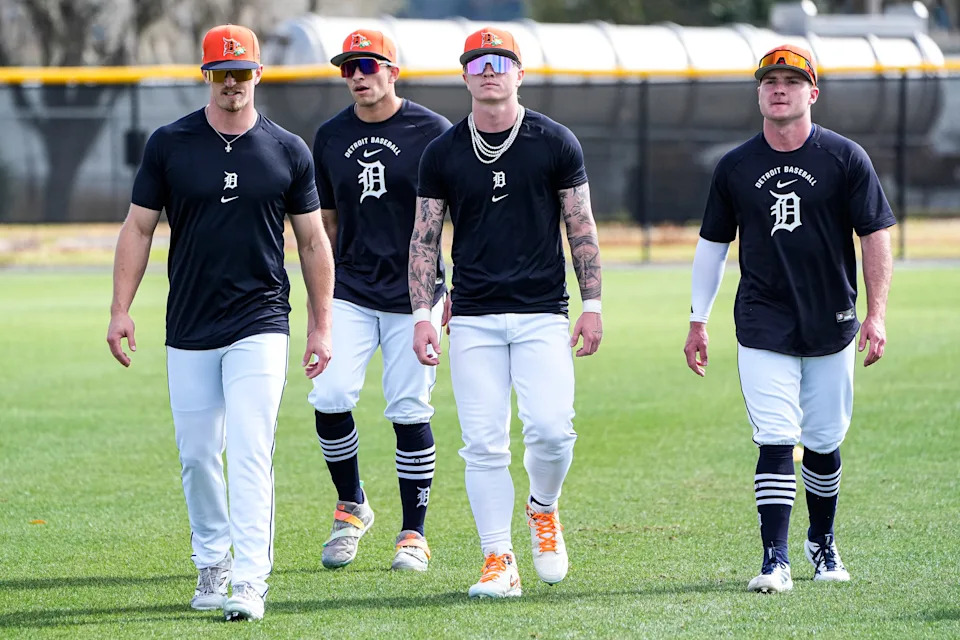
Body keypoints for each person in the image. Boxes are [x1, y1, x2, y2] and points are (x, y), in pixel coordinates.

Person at [106, 24, 335, 621]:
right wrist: (120, 310)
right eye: (221, 73)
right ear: (205, 76)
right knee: (199, 453)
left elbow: (313, 242)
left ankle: (251, 581)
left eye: (242, 72)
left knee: (252, 450)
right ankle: (213, 560)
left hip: (260, 320)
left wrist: (320, 326)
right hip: (189, 323)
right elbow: (138, 227)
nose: (232, 83)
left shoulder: (288, 149)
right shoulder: (170, 144)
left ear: (259, 73)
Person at [683, 44, 894, 594]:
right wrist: (696, 320)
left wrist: (877, 315)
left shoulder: (845, 158)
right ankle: (774, 559)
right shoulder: (735, 166)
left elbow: (875, 235)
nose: (780, 88)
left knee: (824, 442)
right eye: (770, 80)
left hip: (832, 320)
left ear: (812, 93)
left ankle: (821, 544)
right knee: (776, 438)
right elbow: (712, 245)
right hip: (762, 322)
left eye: (792, 80)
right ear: (759, 92)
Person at [408, 27, 603, 598]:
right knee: (484, 442)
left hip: (543, 312)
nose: (489, 70)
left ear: (519, 72)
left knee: (551, 431)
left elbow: (581, 227)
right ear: (464, 74)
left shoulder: (555, 141)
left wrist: (592, 305)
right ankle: (498, 558)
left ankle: (543, 507)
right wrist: (424, 311)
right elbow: (424, 239)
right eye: (478, 62)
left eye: (501, 61)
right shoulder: (442, 151)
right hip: (471, 317)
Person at [307, 29, 451, 572]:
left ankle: (413, 533)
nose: (358, 76)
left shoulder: (432, 131)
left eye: (369, 65)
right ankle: (352, 507)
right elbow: (325, 221)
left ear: (393, 71)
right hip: (351, 289)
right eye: (349, 67)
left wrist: (446, 291)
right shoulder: (329, 136)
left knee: (409, 406)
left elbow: (452, 219)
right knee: (330, 394)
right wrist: (322, 298)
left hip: (415, 295)